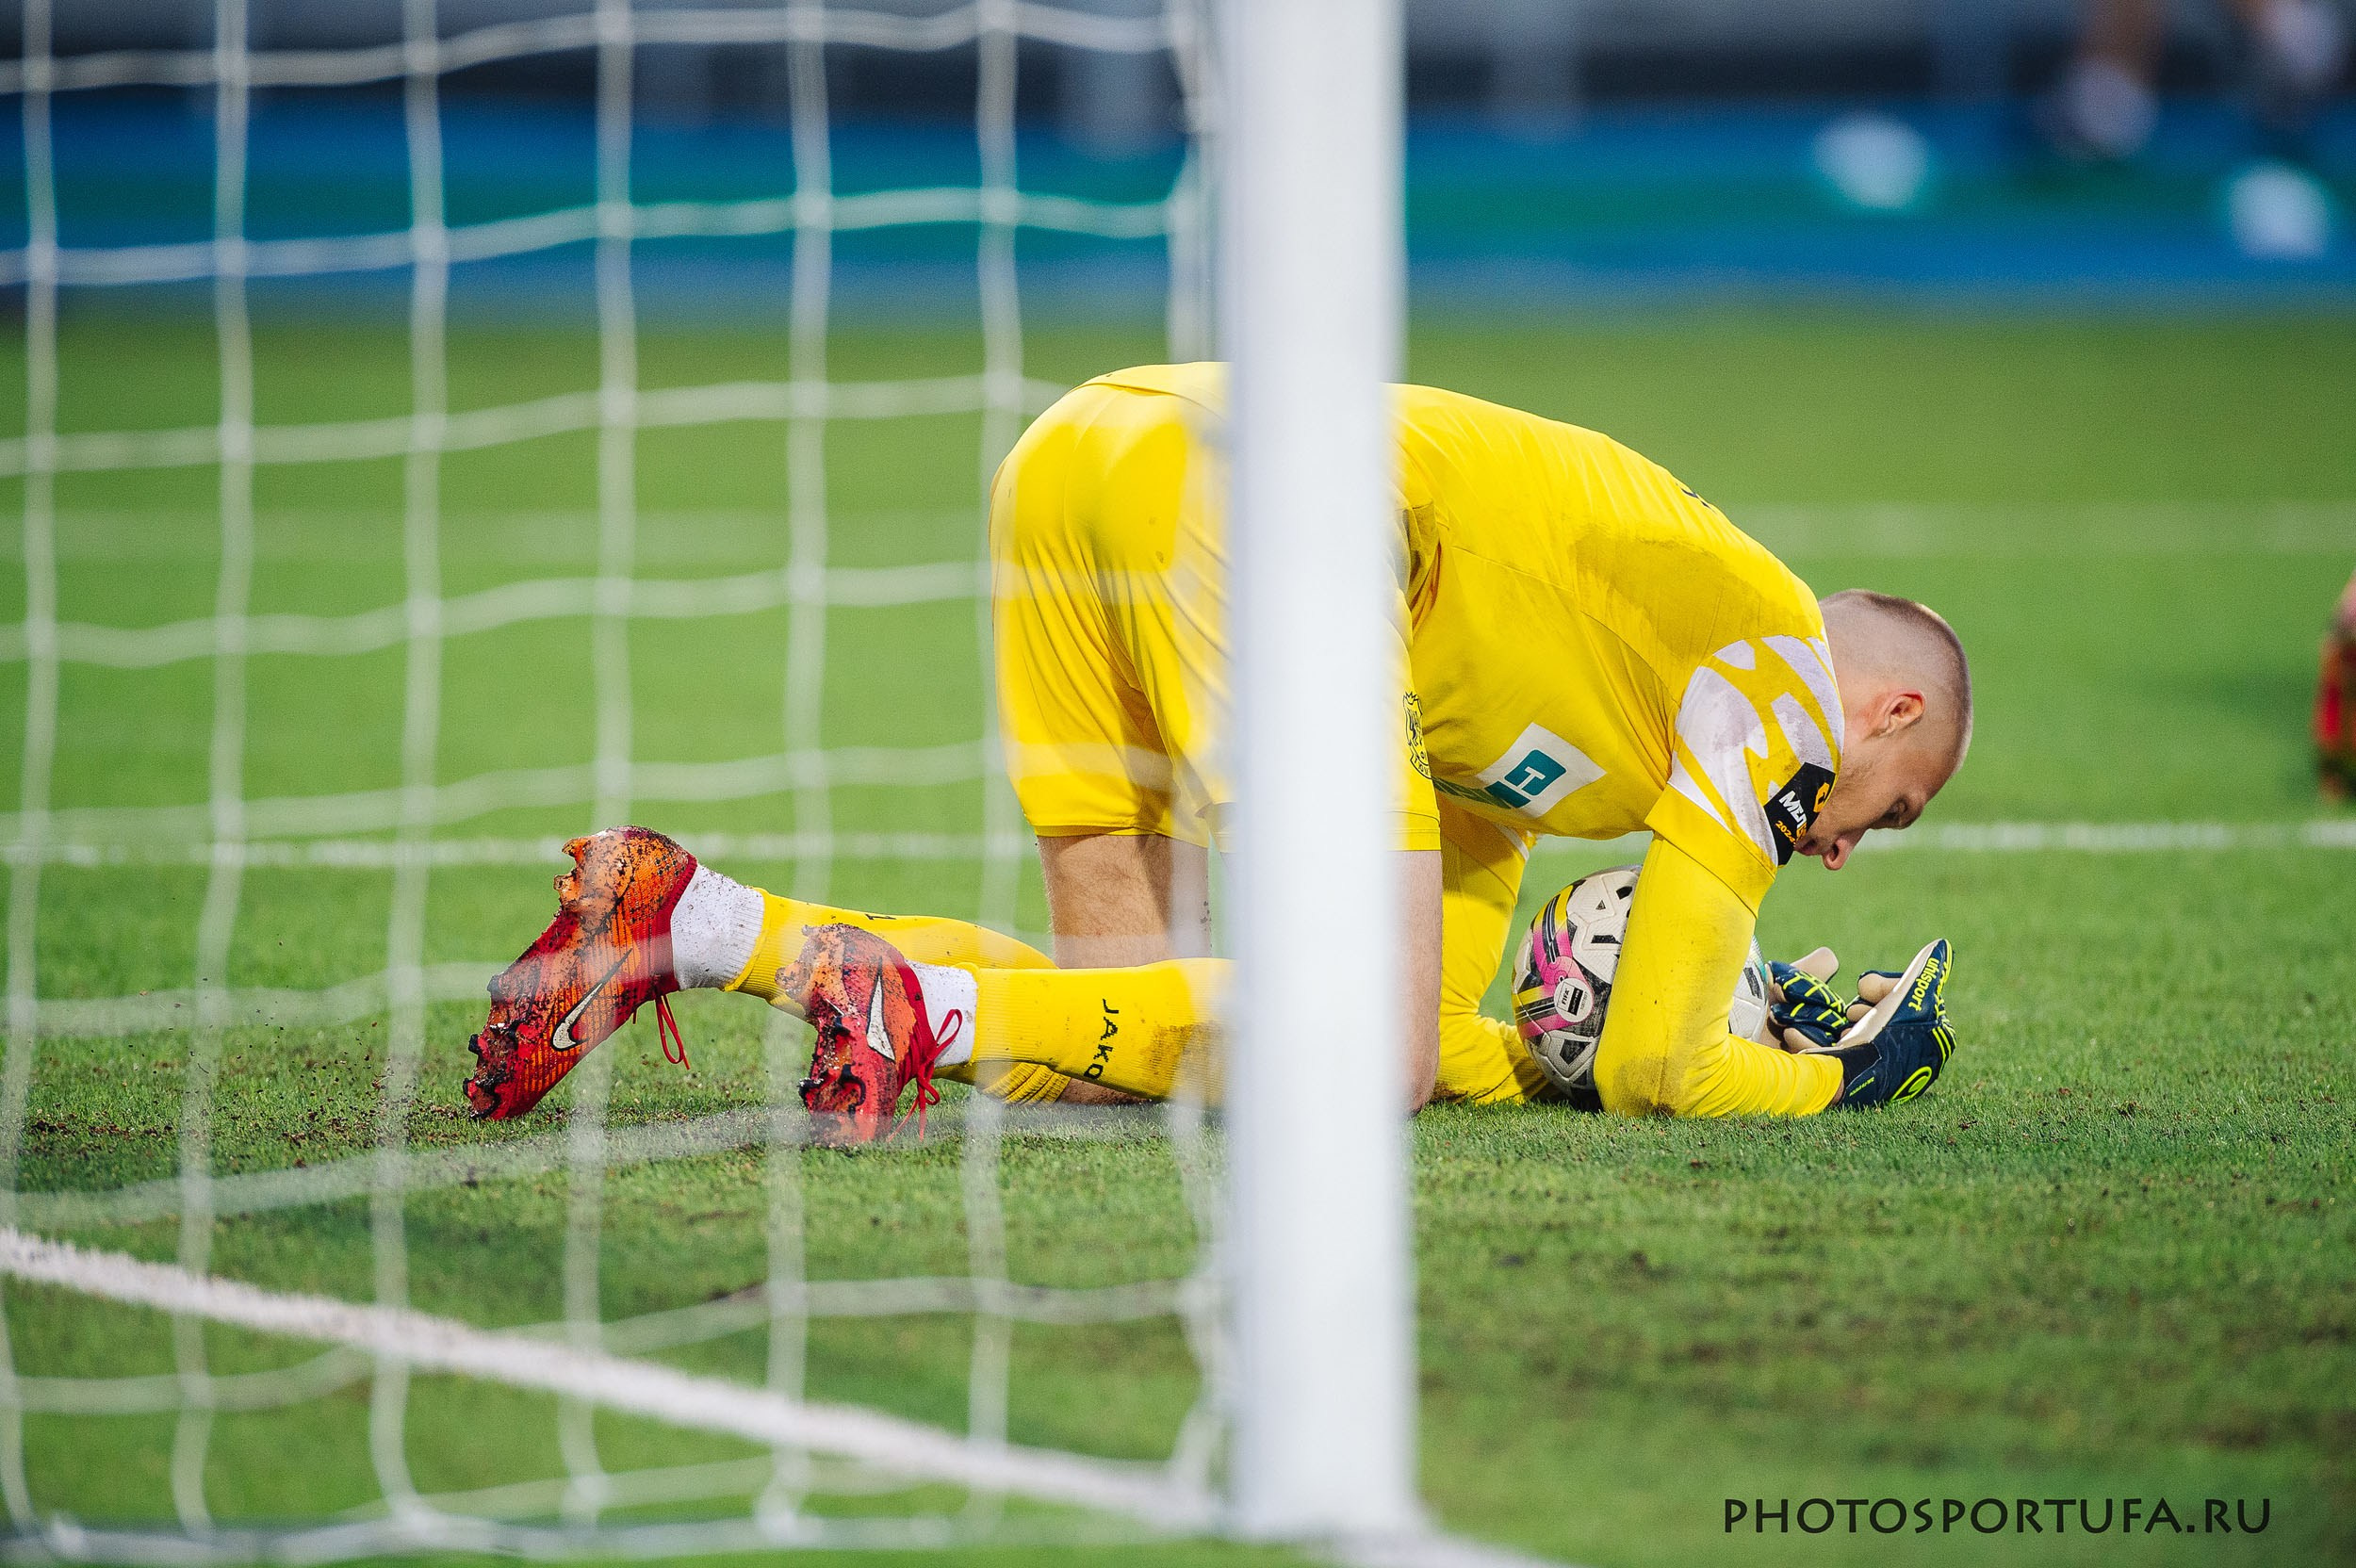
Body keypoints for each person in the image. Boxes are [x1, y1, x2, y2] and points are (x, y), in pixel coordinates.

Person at [462, 366, 1969, 1140]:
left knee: (1109, 1051)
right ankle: (911, 999)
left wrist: (1528, 1056)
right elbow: (1658, 1068)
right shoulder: (1777, 672)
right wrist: (1835, 1080)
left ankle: (699, 920)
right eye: (1881, 820)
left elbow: (1441, 1031)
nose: (1835, 850)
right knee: (1348, 1062)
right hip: (1264, 499)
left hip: (1086, 454)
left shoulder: (1573, 726)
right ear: (1887, 717)